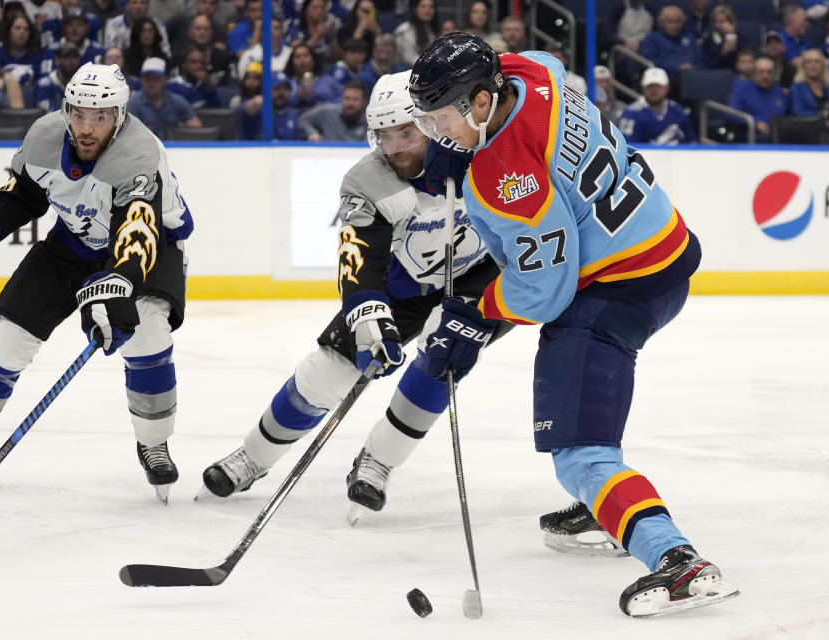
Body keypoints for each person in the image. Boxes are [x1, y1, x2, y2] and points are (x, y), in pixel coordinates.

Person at [408, 32, 737, 618]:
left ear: (482, 103)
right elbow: (546, 58)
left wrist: (476, 313)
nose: (435, 134)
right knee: (587, 420)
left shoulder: (504, 176)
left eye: (441, 120)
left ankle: (675, 559)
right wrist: (460, 146)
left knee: (577, 450)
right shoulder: (525, 71)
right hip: (665, 247)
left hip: (619, 288)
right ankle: (606, 503)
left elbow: (545, 288)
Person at [198, 70, 508, 515]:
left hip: (480, 277)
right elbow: (359, 258)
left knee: (442, 359)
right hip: (401, 287)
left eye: (405, 131)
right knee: (327, 371)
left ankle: (378, 461)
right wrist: (367, 315)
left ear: (430, 121)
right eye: (385, 135)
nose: (396, 146)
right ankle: (254, 456)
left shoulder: (480, 155)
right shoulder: (368, 181)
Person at [0, 62, 193, 504]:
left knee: (146, 337)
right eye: (79, 114)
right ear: (66, 109)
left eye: (100, 116)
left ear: (120, 116)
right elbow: (23, 195)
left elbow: (137, 232)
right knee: (6, 336)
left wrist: (122, 282)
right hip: (74, 242)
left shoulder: (139, 154)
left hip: (152, 247)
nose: (86, 128)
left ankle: (154, 442)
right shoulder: (45, 136)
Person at [127, 56, 202, 138]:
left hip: (174, 148)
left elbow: (197, 128)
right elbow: (128, 135)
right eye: (148, 79)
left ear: (165, 79)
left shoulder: (176, 101)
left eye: (156, 79)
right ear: (141, 80)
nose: (151, 83)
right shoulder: (133, 103)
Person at [619, 67, 696, 144]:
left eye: (658, 87)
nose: (654, 90)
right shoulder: (632, 113)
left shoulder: (678, 111)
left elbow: (691, 143)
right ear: (643, 88)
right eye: (650, 86)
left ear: (667, 88)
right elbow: (629, 147)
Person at [727, 56, 787, 142]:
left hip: (778, 133)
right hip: (752, 134)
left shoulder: (778, 90)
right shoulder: (742, 88)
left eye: (769, 72)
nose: (766, 75)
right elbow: (731, 113)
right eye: (761, 72)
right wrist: (755, 122)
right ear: (754, 74)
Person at [639, 4, 702, 81]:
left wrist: (693, 68)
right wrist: (676, 67)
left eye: (678, 22)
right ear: (662, 22)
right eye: (670, 22)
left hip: (692, 79)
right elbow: (649, 62)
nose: (675, 26)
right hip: (664, 81)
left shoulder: (689, 38)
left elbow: (701, 61)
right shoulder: (652, 39)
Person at [237, 70, 299, 140]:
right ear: (266, 90)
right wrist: (255, 103)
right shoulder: (258, 112)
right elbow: (246, 111)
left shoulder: (292, 115)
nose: (281, 93)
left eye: (285, 89)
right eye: (276, 89)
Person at [298, 79, 368, 140]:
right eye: (347, 98)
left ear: (364, 102)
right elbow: (302, 120)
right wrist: (312, 133)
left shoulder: (370, 121)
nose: (350, 103)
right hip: (325, 153)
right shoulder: (326, 112)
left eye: (355, 99)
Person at [788, 48, 829, 117]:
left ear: (823, 66)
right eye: (808, 62)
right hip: (806, 126)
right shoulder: (796, 89)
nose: (813, 65)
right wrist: (826, 113)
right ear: (803, 67)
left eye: (817, 61)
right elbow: (797, 112)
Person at [35, 41, 83, 111]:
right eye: (66, 57)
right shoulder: (44, 84)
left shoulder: (83, 84)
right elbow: (45, 114)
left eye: (74, 57)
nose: (71, 61)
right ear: (57, 60)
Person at [393, 0, 439, 66]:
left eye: (431, 7)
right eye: (423, 6)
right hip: (403, 70)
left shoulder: (430, 30)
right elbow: (409, 58)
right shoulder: (405, 30)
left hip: (423, 68)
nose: (428, 10)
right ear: (415, 9)